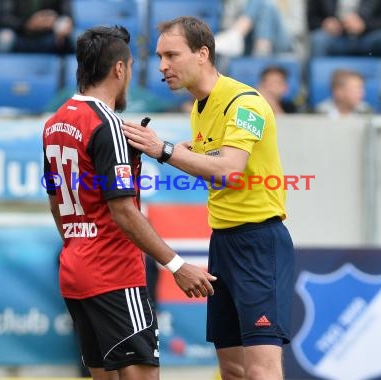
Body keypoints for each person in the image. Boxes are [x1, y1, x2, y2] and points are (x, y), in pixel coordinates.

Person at [122, 16, 295, 380]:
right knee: (231, 370)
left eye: (171, 55)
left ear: (203, 54)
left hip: (259, 243)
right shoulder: (201, 106)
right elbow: (212, 158)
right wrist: (171, 149)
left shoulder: (244, 102)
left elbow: (230, 169)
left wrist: (164, 149)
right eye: (158, 57)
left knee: (262, 371)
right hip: (223, 243)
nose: (162, 66)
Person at [42, 25, 216, 380]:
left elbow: (56, 198)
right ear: (119, 69)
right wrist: (177, 265)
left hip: (75, 270)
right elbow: (123, 210)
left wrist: (79, 243)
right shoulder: (107, 125)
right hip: (114, 273)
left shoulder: (55, 122)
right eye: (133, 66)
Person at [307, 0, 381, 115]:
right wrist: (325, 24)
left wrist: (364, 24)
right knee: (317, 40)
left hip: (368, 38)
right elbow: (311, 21)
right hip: (335, 38)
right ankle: (313, 103)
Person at [215, 0, 293, 57]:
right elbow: (227, 21)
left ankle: (235, 36)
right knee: (263, 5)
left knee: (266, 6)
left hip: (281, 40)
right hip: (248, 41)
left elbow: (296, 27)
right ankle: (261, 54)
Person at [0, 0, 74, 54]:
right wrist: (27, 24)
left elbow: (67, 16)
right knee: (4, 37)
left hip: (51, 35)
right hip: (20, 35)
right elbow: (4, 19)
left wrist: (62, 26)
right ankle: (2, 72)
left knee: (79, 38)